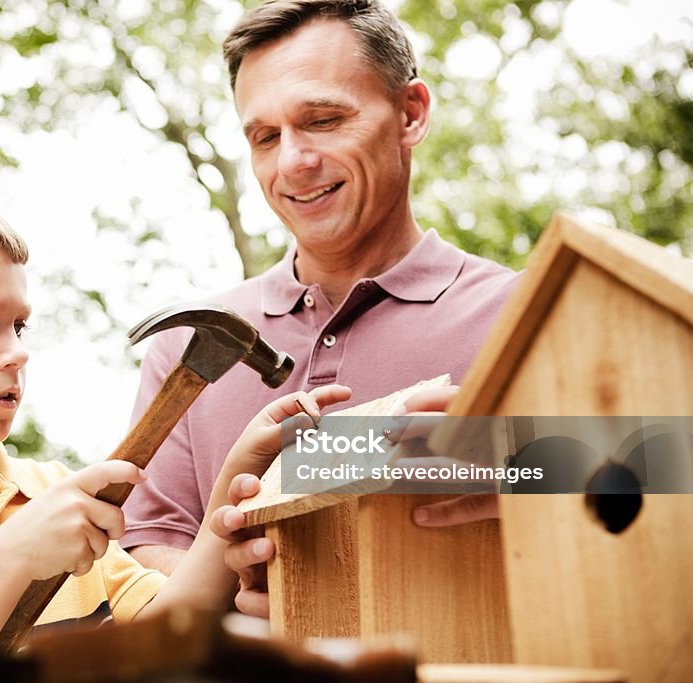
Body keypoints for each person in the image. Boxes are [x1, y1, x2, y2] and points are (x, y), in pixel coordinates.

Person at [0, 190, 353, 681]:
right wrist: (12, 557)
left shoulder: (47, 492)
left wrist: (233, 484)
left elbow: (157, 633)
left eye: (19, 325)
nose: (17, 352)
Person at [122, 0, 520, 584]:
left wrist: (530, 467)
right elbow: (146, 549)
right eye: (264, 136)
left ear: (410, 113)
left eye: (324, 120)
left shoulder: (524, 315)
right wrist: (245, 620)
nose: (293, 161)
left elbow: (652, 466)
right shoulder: (186, 353)